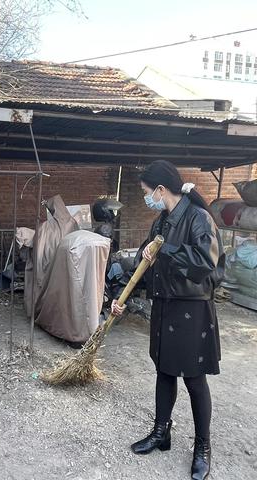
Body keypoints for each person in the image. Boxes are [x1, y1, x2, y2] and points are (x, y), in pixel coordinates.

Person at [111, 160, 224, 480]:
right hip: (164, 304)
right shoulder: (161, 221)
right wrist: (124, 297)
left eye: (148, 193)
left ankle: (203, 446)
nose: (148, 198)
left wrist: (166, 250)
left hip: (191, 309)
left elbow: (204, 263)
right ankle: (162, 432)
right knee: (164, 370)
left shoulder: (199, 218)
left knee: (193, 379)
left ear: (161, 190)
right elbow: (145, 262)